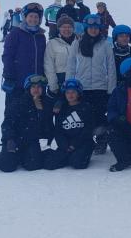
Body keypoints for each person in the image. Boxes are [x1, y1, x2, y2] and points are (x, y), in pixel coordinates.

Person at [66, 14, 116, 155]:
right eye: (91, 27)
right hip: (83, 87)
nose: (93, 30)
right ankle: (86, 140)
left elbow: (111, 67)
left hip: (101, 87)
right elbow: (71, 64)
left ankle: (101, 140)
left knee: (100, 115)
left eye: (96, 28)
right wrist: (69, 85)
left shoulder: (105, 44)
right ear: (86, 28)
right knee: (85, 116)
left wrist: (110, 88)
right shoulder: (78, 43)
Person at [0, 75, 53, 172]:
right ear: (28, 88)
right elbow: (7, 124)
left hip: (32, 141)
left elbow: (46, 128)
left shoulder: (46, 104)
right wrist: (10, 139)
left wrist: (40, 111)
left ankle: (22, 156)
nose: (36, 89)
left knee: (34, 165)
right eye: (33, 87)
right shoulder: (18, 103)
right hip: (15, 139)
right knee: (8, 166)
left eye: (39, 87)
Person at [1, 3, 47, 127]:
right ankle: (8, 141)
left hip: (34, 84)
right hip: (18, 82)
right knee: (13, 111)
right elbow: (7, 56)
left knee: (31, 112)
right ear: (25, 17)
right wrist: (9, 75)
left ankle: (29, 140)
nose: (33, 19)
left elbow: (43, 58)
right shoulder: (15, 33)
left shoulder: (41, 36)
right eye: (30, 16)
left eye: (36, 17)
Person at [43, 79, 94, 170]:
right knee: (49, 164)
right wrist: (64, 145)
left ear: (78, 93)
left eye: (73, 92)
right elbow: (58, 130)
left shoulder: (86, 107)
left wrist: (74, 145)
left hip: (82, 142)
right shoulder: (61, 109)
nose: (70, 95)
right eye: (68, 92)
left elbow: (87, 130)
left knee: (77, 163)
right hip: (66, 143)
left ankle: (77, 155)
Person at [44, 16, 77, 98]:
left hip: (77, 80)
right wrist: (53, 85)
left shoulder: (79, 42)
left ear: (73, 29)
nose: (67, 29)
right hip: (60, 80)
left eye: (69, 27)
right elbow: (48, 65)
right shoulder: (52, 43)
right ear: (59, 28)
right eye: (64, 27)